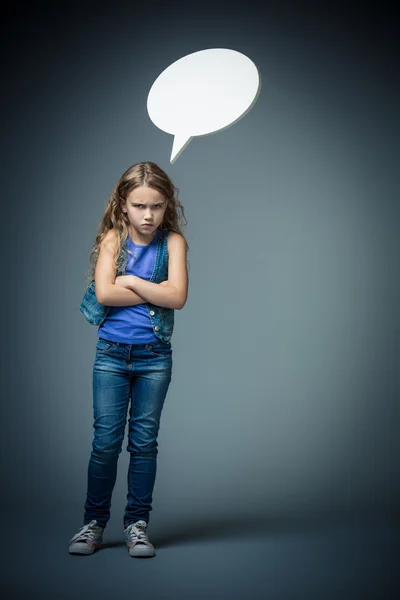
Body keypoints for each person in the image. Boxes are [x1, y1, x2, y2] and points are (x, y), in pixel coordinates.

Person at [68, 161, 189, 558]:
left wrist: (134, 282)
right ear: (123, 205)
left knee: (143, 442)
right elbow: (105, 295)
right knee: (105, 443)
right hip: (111, 356)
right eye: (139, 206)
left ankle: (137, 524)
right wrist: (157, 289)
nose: (148, 215)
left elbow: (178, 298)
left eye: (156, 206)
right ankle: (93, 524)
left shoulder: (173, 243)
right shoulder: (111, 240)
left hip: (154, 358)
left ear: (166, 205)